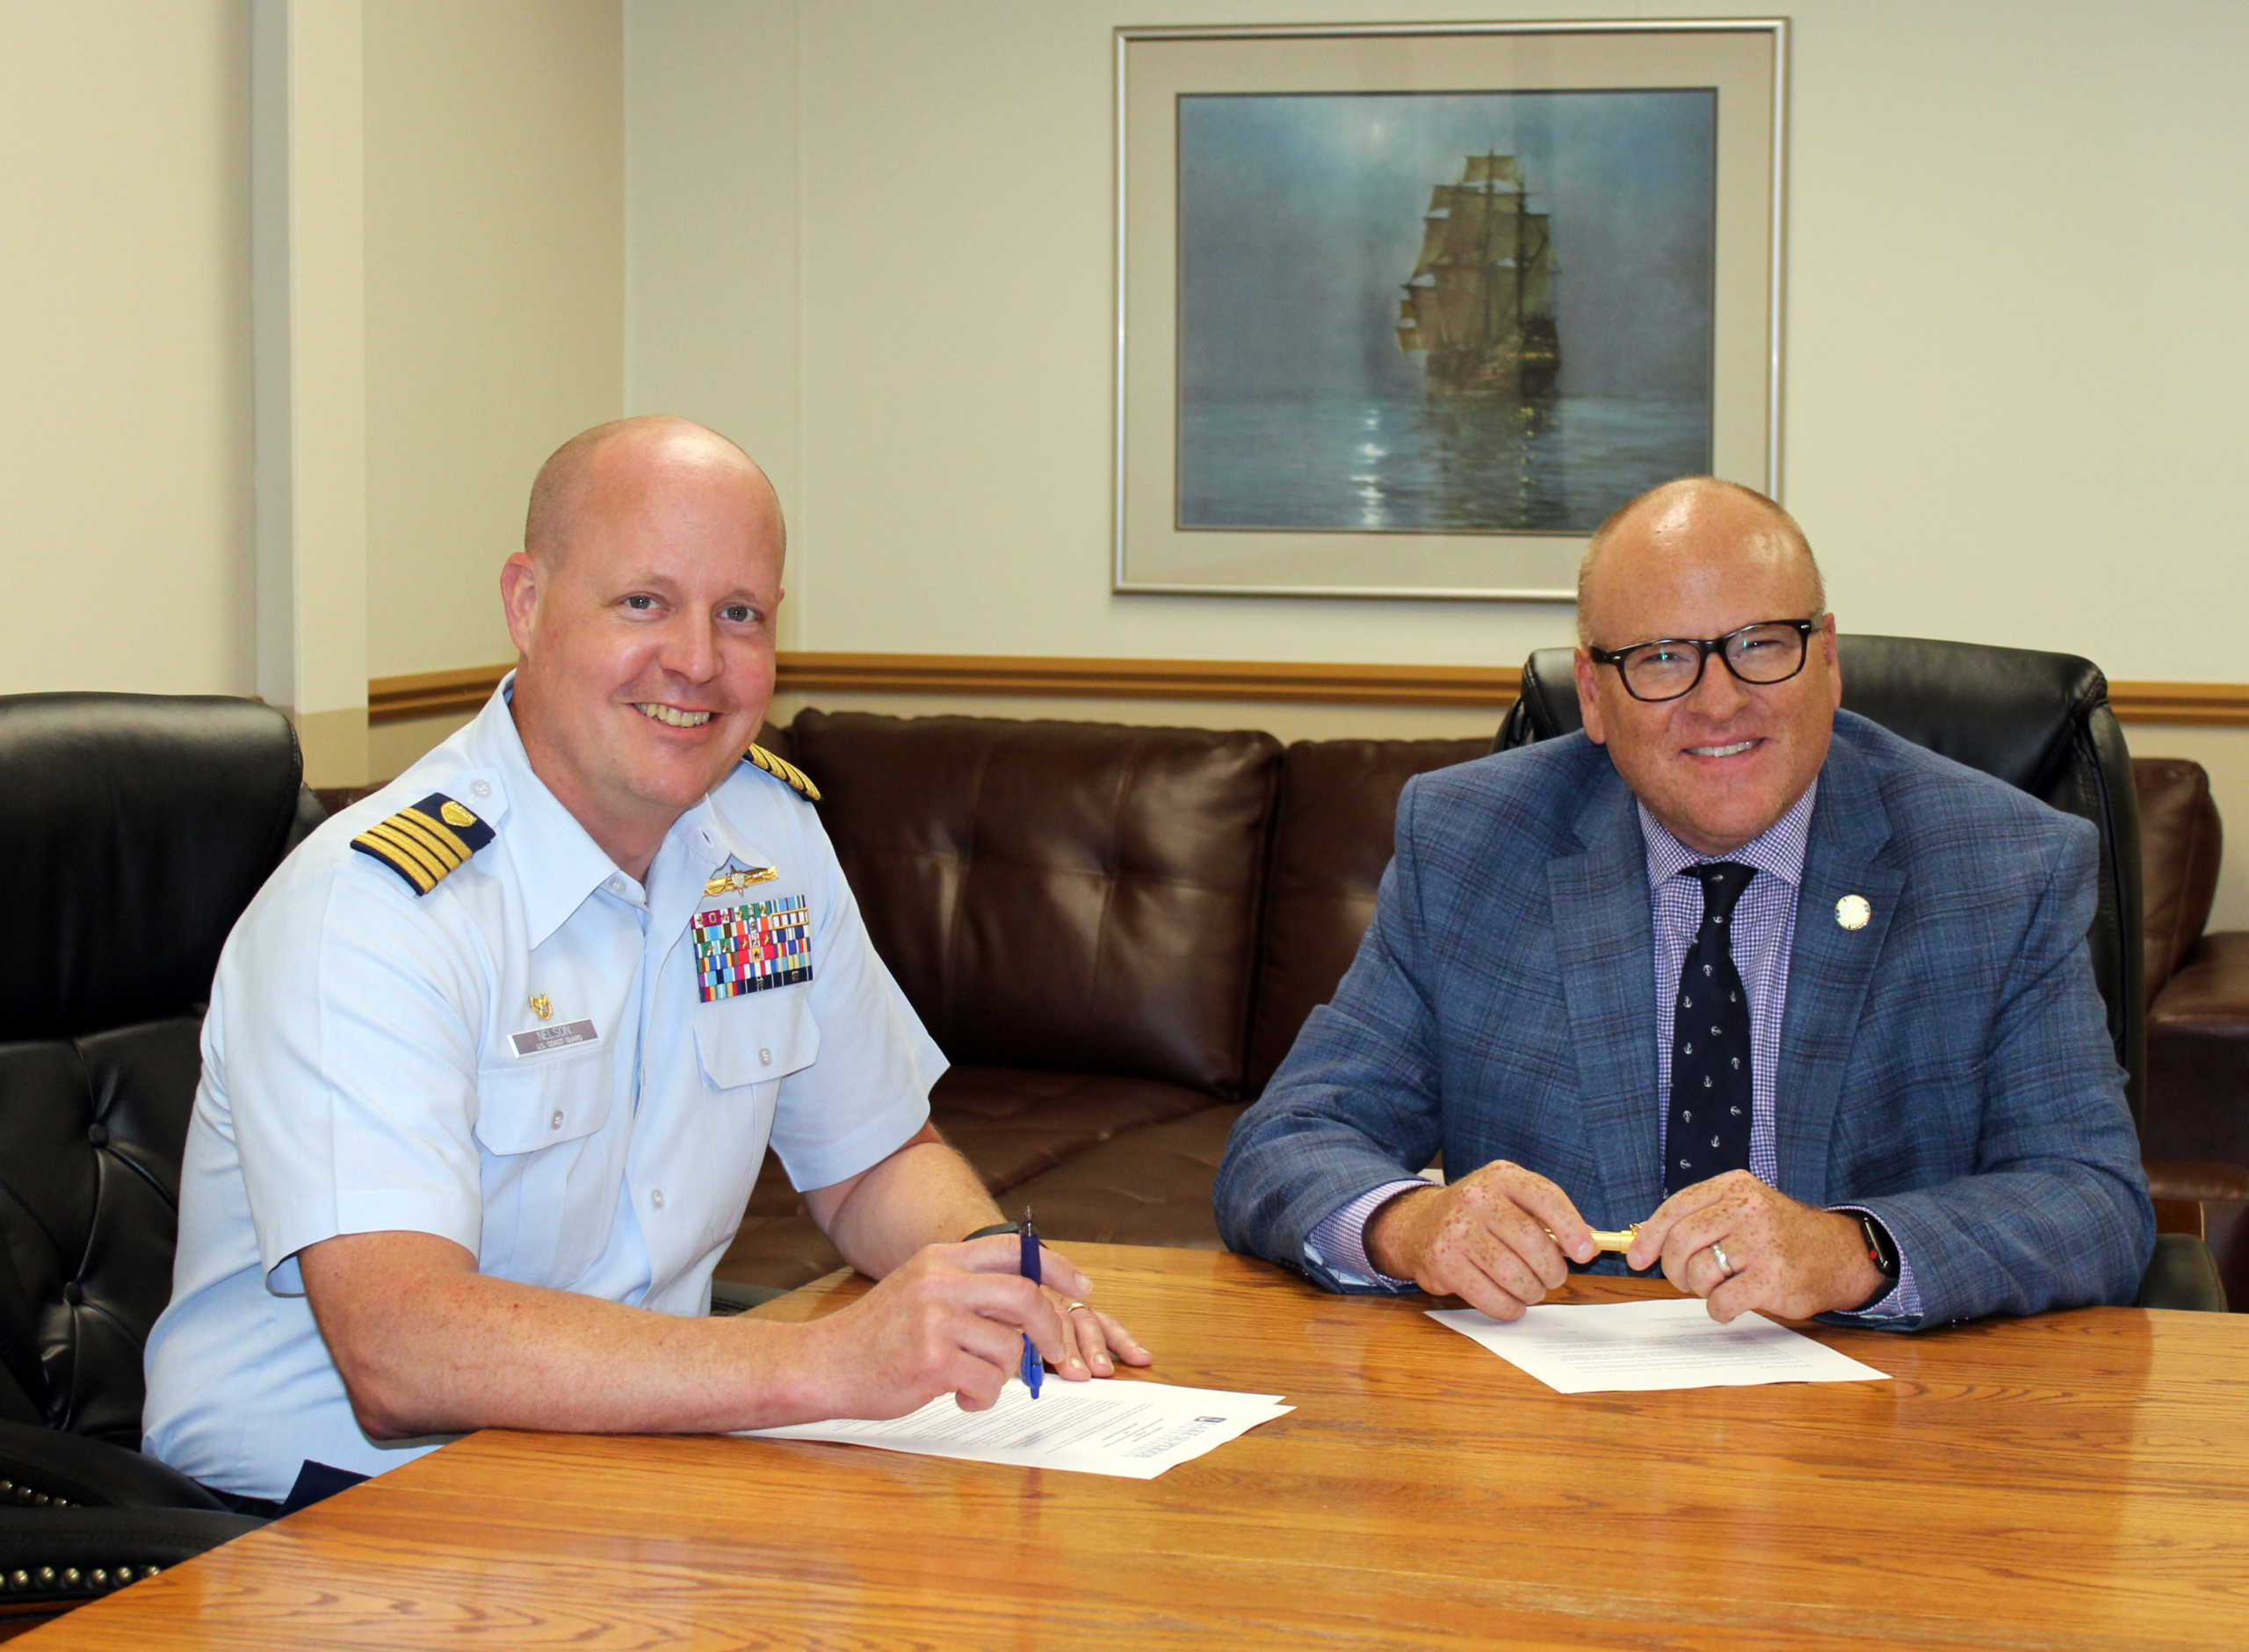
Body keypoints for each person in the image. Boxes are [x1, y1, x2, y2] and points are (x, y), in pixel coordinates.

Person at [144, 416, 1146, 1507]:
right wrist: (829, 1364)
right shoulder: (376, 909)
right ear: (526, 606)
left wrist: (994, 1277)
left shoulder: (766, 843)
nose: (698, 663)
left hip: (617, 1473)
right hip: (312, 1516)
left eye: (740, 614)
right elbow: (402, 1351)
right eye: (642, 602)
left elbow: (872, 1159)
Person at [1215, 476, 2152, 1331]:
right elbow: (1288, 1142)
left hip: (1876, 1425)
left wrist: (1856, 1250)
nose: (1717, 702)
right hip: (1547, 1432)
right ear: (1591, 692)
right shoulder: (1472, 843)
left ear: (1825, 660)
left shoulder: (2000, 864)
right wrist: (1411, 1225)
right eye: (1661, 658)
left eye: (1759, 645)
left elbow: (2090, 1197)